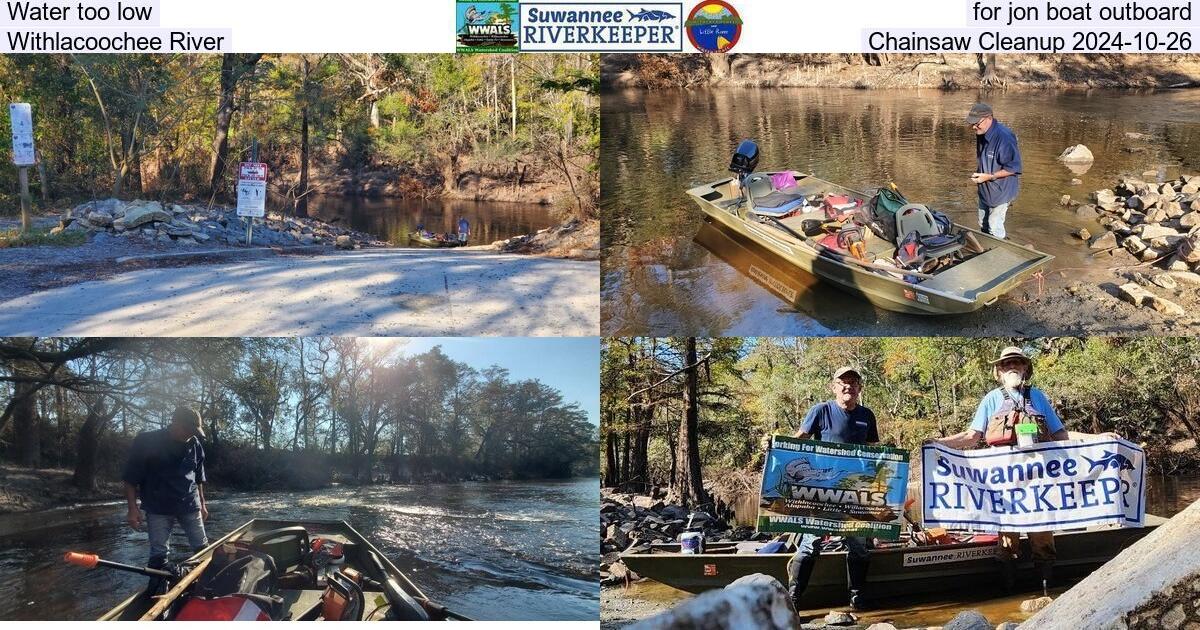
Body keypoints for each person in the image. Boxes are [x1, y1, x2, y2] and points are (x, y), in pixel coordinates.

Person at [932, 347, 1120, 591]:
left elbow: (1060, 434)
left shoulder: (1038, 397)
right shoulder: (991, 399)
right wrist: (939, 443)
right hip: (1004, 488)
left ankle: (1045, 593)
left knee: (1043, 541)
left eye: (1018, 363)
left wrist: (1096, 438)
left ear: (1025, 369)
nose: (1012, 367)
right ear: (998, 372)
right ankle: (1009, 592)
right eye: (1006, 364)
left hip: (1039, 484)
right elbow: (971, 436)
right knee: (1007, 544)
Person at [787, 366, 878, 611]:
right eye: (843, 382)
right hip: (822, 491)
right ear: (834, 386)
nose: (848, 385)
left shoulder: (867, 415)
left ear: (859, 387)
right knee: (810, 543)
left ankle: (857, 598)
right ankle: (793, 599)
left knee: (858, 545)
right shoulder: (821, 410)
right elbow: (799, 441)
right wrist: (776, 446)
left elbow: (875, 454)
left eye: (853, 381)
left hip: (855, 492)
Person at [122, 406, 210, 573]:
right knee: (159, 555)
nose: (191, 434)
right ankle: (157, 588)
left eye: (195, 431)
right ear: (175, 423)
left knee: (203, 548)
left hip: (190, 504)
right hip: (158, 507)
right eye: (188, 429)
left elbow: (198, 478)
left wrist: (203, 504)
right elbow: (130, 478)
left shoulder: (195, 444)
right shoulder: (146, 441)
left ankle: (204, 582)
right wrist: (132, 509)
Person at [966, 103, 1022, 240]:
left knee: (994, 225)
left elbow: (1014, 168)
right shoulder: (981, 132)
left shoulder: (1004, 138)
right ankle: (986, 248)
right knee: (983, 223)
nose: (974, 127)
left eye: (977, 123)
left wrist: (989, 176)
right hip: (985, 189)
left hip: (1001, 190)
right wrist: (980, 174)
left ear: (989, 118)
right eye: (972, 124)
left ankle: (1000, 253)